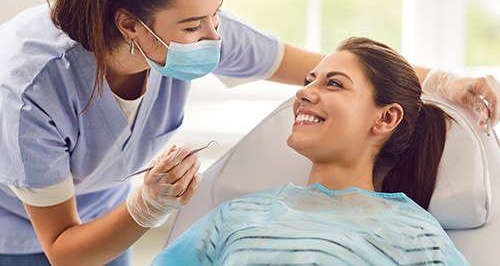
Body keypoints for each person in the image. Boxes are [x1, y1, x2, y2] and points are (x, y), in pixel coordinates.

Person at [0, 0, 496, 264]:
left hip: (103, 212)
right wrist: (145, 208)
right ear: (130, 25)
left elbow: (313, 60)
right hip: (23, 231)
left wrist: (441, 81)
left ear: (385, 119)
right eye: (196, 26)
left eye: (217, 15)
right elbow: (64, 249)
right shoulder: (31, 90)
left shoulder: (416, 236)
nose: (216, 37)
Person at [152, 36, 470, 265]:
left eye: (334, 84)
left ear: (386, 118)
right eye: (309, 80)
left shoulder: (418, 238)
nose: (303, 92)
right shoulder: (237, 216)